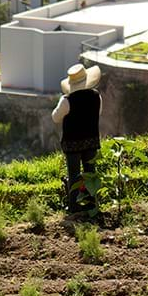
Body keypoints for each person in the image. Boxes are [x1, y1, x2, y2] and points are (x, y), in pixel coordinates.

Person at [52, 64, 102, 213]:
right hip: (91, 140)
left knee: (74, 174)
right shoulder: (96, 96)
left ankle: (74, 206)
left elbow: (55, 117)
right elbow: (98, 113)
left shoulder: (67, 100)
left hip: (72, 143)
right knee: (90, 172)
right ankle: (91, 203)